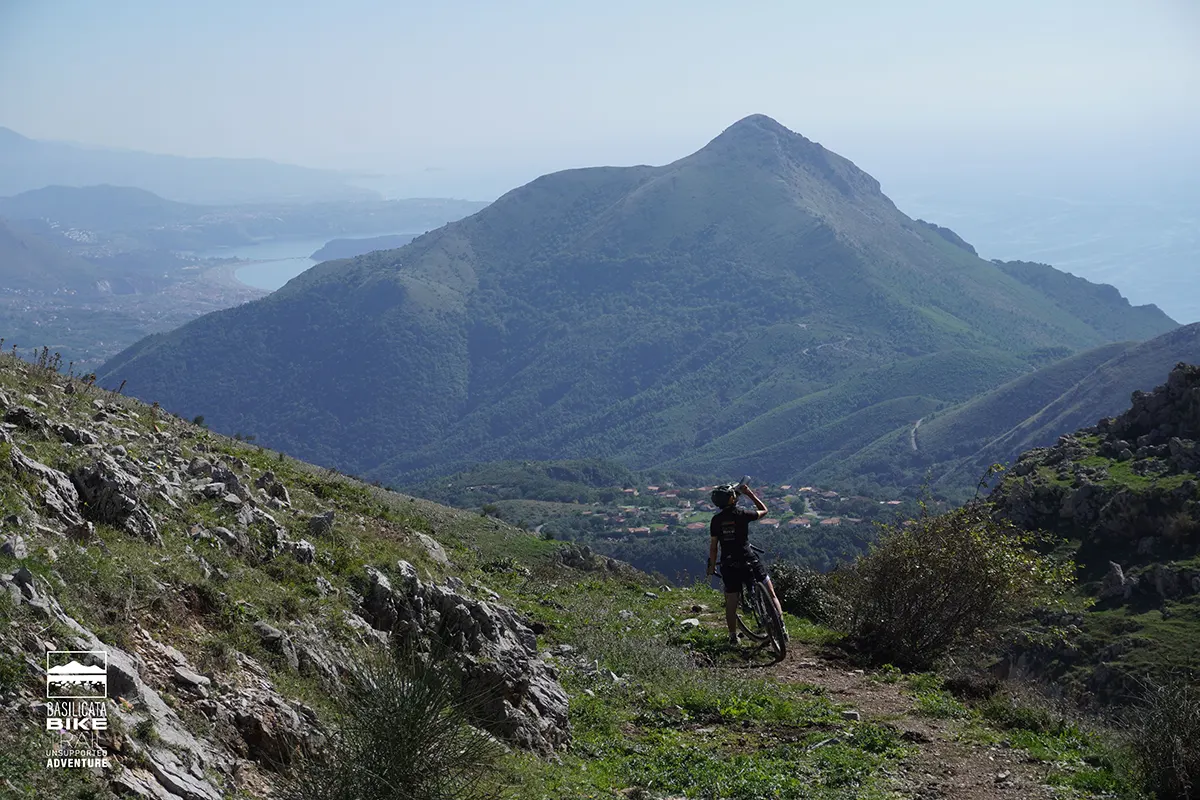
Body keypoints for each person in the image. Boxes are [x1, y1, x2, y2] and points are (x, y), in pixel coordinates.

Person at [705, 480, 785, 645]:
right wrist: (750, 494)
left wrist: (712, 567)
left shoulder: (716, 521)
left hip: (729, 564)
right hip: (749, 559)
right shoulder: (742, 514)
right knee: (771, 594)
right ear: (732, 499)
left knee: (731, 602)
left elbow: (714, 547)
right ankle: (782, 628)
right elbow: (764, 510)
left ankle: (733, 637)